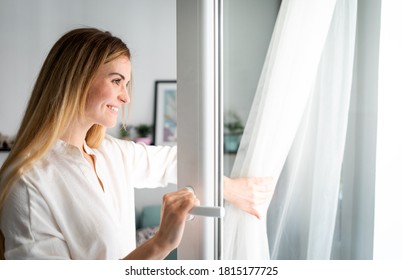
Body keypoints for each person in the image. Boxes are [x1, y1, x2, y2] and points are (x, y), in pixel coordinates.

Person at [0, 28, 273, 260]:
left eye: (126, 84)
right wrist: (161, 243)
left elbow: (174, 162)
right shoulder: (27, 183)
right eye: (117, 81)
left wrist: (231, 188)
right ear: (76, 79)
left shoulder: (111, 153)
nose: (126, 98)